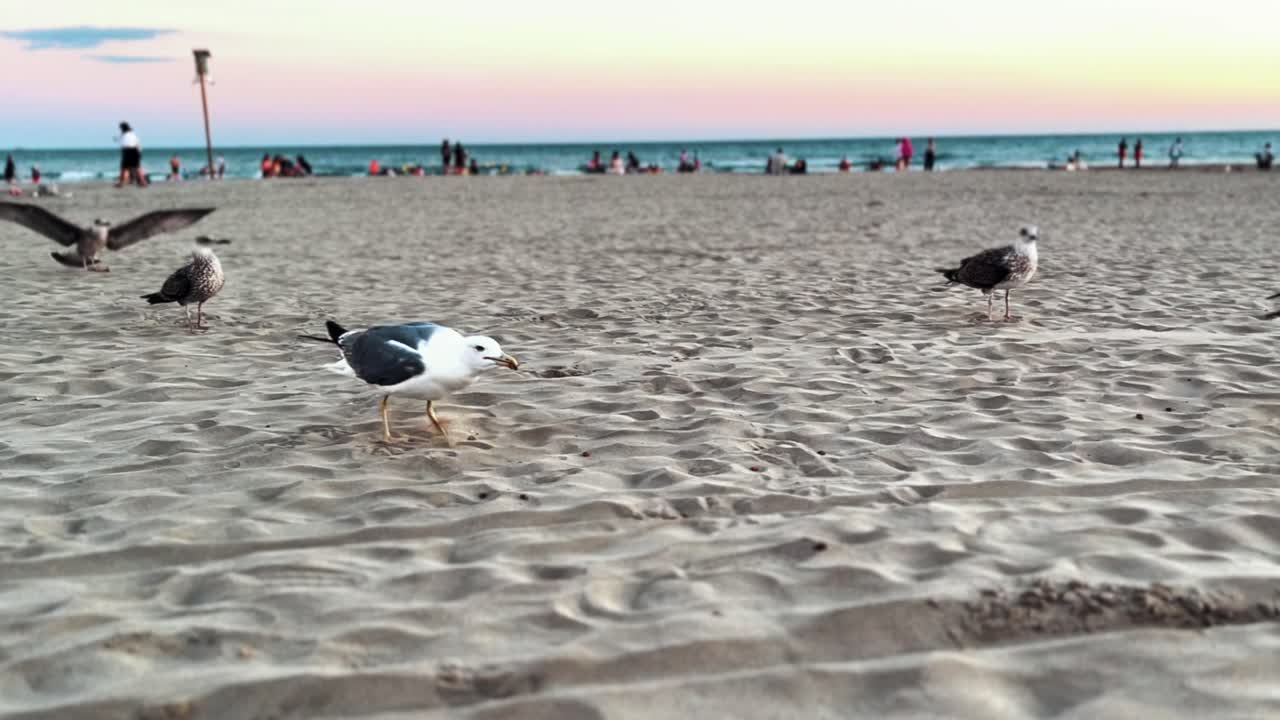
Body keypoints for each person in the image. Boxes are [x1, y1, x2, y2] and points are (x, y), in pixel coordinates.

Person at [115, 122, 148, 187]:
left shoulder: (124, 135)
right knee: (137, 167)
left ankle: (121, 183)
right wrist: (139, 153)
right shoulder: (133, 134)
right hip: (135, 151)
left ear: (122, 128)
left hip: (127, 151)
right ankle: (143, 182)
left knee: (124, 168)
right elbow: (137, 143)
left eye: (121, 128)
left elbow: (119, 141)